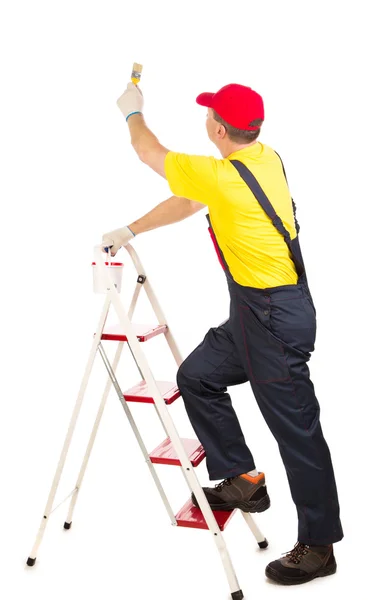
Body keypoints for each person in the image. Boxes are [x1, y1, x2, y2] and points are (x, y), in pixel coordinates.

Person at [102, 81, 343, 585]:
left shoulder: (222, 174)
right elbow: (191, 201)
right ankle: (242, 479)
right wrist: (132, 229)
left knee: (298, 435)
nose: (207, 117)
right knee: (197, 377)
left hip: (274, 318)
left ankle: (319, 547)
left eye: (210, 112)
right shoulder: (261, 159)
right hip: (256, 311)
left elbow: (148, 150)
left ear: (217, 127)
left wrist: (132, 112)